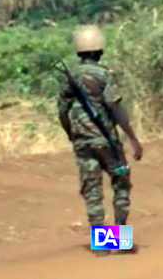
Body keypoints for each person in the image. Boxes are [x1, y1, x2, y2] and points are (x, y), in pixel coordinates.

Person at [57, 25, 143, 256]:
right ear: (99, 50)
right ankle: (120, 239)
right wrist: (133, 138)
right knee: (121, 180)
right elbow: (114, 106)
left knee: (92, 189)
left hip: (82, 141)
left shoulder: (70, 76)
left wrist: (70, 133)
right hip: (106, 141)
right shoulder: (105, 75)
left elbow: (62, 110)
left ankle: (103, 244)